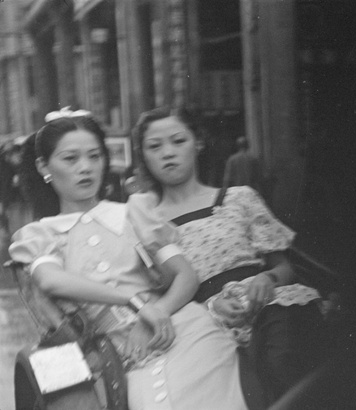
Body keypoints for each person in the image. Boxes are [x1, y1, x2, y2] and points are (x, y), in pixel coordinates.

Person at [9, 108, 250, 410]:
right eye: (70, 159)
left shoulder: (135, 212)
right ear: (44, 166)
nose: (86, 168)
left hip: (178, 328)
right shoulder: (38, 234)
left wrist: (158, 310)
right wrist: (133, 300)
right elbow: (50, 280)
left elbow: (185, 275)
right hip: (107, 352)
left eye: (94, 157)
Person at [132, 107, 330, 403]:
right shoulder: (147, 222)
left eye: (178, 141)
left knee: (282, 359)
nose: (167, 153)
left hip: (265, 304)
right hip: (203, 322)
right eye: (155, 146)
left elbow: (284, 266)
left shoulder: (238, 198)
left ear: (197, 143)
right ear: (144, 156)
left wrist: (268, 278)